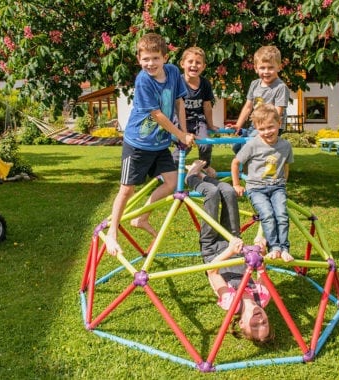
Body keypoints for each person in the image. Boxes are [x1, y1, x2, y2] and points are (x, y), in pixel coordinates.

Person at [105, 33, 196, 255]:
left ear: (165, 57)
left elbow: (179, 102)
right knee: (127, 189)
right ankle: (112, 234)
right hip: (137, 143)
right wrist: (180, 135)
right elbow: (157, 114)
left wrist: (183, 132)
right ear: (139, 59)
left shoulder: (174, 72)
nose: (150, 63)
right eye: (145, 59)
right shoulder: (143, 80)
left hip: (159, 144)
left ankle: (141, 217)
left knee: (172, 182)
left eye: (155, 58)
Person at [185, 160, 272, 343]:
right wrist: (261, 249)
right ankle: (203, 175)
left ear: (241, 324)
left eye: (254, 325)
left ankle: (192, 177)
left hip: (213, 250)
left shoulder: (230, 302)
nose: (260, 320)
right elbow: (261, 267)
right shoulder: (263, 297)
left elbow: (212, 271)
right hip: (234, 244)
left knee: (212, 194)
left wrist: (230, 250)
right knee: (229, 191)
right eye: (265, 323)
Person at [231, 103, 294, 262]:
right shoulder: (252, 144)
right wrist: (237, 184)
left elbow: (286, 165)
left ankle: (284, 248)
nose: (267, 132)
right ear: (256, 128)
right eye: (262, 129)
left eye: (270, 127)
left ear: (279, 124)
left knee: (281, 214)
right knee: (267, 214)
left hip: (277, 187)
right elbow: (235, 163)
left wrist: (283, 183)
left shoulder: (285, 145)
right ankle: (274, 247)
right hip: (256, 189)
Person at [231, 45, 290, 154]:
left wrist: (266, 128)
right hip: (256, 124)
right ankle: (248, 167)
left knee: (249, 145)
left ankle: (255, 168)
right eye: (262, 68)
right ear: (256, 68)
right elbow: (248, 107)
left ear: (279, 67)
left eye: (271, 67)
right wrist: (238, 124)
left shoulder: (281, 87)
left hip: (271, 126)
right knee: (236, 146)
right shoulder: (254, 84)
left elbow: (278, 112)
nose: (266, 71)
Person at [172, 47, 218, 177]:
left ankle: (205, 166)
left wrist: (210, 124)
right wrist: (184, 132)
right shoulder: (178, 82)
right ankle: (169, 169)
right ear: (182, 64)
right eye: (190, 62)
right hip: (180, 119)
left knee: (206, 144)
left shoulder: (205, 84)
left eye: (198, 63)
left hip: (198, 120)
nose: (194, 65)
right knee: (185, 145)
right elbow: (177, 106)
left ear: (203, 66)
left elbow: (207, 106)